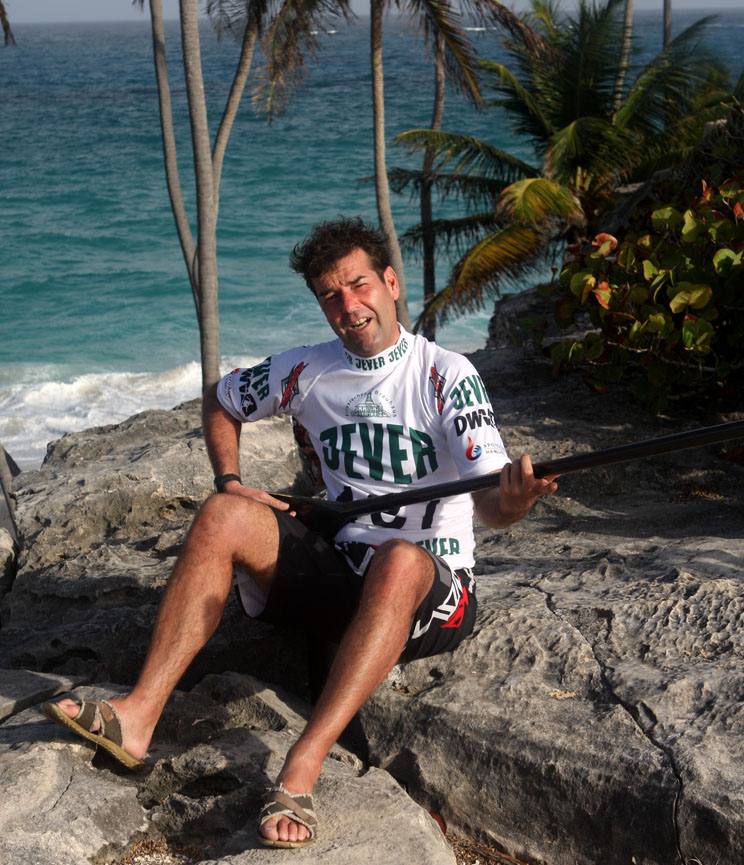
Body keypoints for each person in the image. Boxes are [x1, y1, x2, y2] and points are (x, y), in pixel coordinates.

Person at [42, 217, 557, 848]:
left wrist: (516, 500)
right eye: (330, 295)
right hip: (340, 575)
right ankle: (139, 715)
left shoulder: (445, 375)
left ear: (390, 283)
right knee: (221, 513)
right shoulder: (307, 369)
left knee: (399, 560)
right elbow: (222, 399)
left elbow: (492, 504)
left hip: (431, 592)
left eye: (359, 285)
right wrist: (231, 480)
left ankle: (302, 767)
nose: (349, 306)